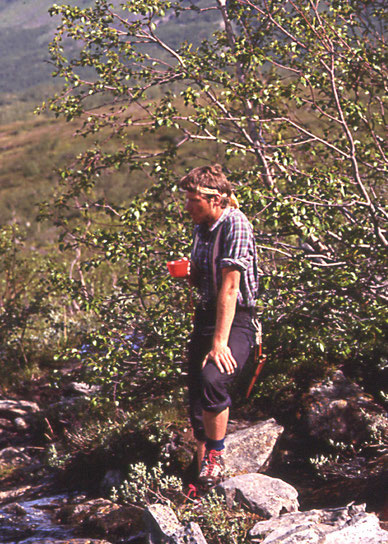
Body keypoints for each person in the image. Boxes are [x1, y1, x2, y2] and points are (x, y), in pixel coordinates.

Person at [179, 164, 259, 488]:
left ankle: (216, 456)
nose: (188, 208)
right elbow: (204, 277)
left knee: (214, 376)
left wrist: (220, 342)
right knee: (197, 394)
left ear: (216, 200)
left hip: (236, 316)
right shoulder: (202, 228)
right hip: (205, 315)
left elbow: (230, 287)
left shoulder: (235, 224)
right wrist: (189, 273)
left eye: (193, 201)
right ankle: (200, 479)